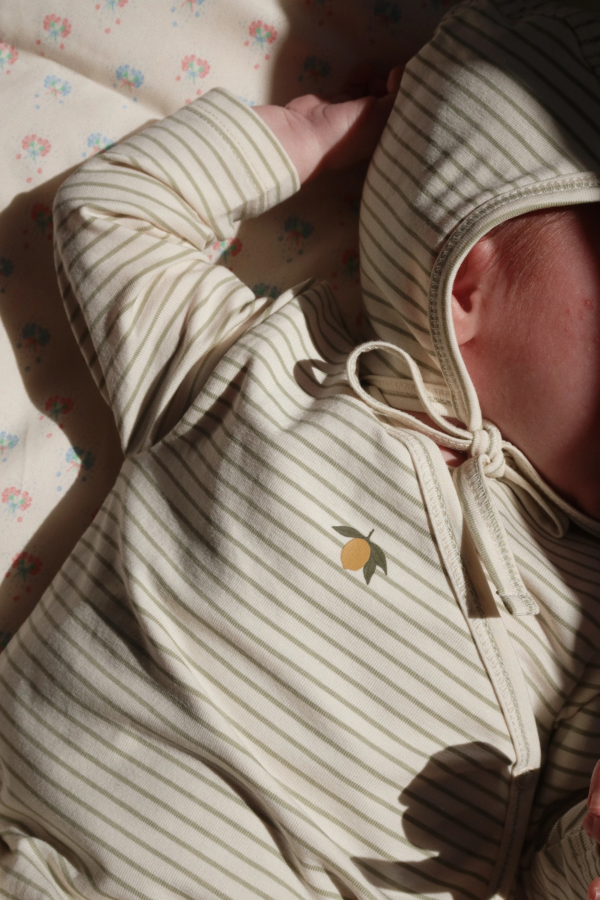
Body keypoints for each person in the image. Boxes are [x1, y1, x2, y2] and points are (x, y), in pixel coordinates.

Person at [2, 0, 600, 898]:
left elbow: (543, 878)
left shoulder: (590, 620)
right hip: (54, 854)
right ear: (466, 277)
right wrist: (321, 131)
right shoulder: (269, 372)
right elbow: (113, 213)